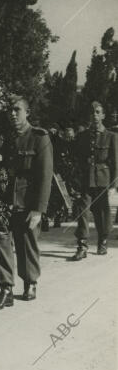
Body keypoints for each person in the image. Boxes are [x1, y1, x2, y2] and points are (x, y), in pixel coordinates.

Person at [0, 95, 53, 310]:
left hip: (27, 202)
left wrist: (38, 209)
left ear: (28, 113)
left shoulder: (39, 137)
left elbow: (45, 176)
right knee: (2, 240)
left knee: (26, 243)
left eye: (17, 109)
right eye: (11, 110)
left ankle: (30, 282)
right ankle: (5, 288)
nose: (13, 114)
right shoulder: (7, 139)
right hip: (6, 200)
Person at [70, 101, 118, 259]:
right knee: (82, 209)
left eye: (98, 112)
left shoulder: (111, 136)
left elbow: (115, 162)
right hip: (86, 178)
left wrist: (114, 184)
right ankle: (82, 245)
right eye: (92, 113)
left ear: (103, 115)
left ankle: (102, 240)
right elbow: (77, 160)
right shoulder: (82, 136)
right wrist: (75, 180)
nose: (95, 115)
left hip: (103, 179)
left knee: (102, 212)